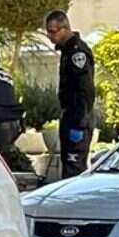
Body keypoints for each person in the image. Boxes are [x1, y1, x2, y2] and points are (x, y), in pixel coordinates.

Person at [44, 10, 96, 179]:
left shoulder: (77, 53)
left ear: (65, 28)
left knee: (74, 168)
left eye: (52, 31)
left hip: (77, 118)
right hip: (70, 115)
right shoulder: (67, 51)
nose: (49, 36)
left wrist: (79, 122)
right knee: (69, 165)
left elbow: (85, 89)